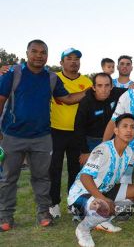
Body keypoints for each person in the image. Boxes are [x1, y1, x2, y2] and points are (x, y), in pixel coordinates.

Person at [0, 40, 86, 232]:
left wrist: (90, 91)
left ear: (48, 55)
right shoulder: (13, 73)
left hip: (42, 137)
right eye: (35, 51)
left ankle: (43, 214)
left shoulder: (51, 78)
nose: (39, 55)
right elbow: (1, 100)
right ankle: (5, 217)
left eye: (43, 52)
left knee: (42, 178)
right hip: (12, 135)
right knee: (8, 178)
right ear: (27, 53)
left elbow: (67, 99)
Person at [68, 113, 134, 247]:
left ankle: (102, 221)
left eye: (132, 127)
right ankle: (83, 229)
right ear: (116, 130)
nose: (129, 130)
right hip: (79, 196)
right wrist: (102, 198)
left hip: (104, 190)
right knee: (105, 206)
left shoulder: (129, 152)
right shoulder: (102, 150)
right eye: (124, 126)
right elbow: (85, 177)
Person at [49, 48, 93, 219]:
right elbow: (65, 99)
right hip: (56, 130)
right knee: (54, 169)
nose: (73, 61)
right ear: (61, 62)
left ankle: (73, 202)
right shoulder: (54, 78)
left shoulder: (86, 81)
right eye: (69, 58)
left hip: (78, 132)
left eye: (77, 59)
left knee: (76, 170)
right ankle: (53, 204)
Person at [75, 72, 125, 166]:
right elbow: (78, 127)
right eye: (99, 86)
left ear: (111, 86)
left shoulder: (117, 93)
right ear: (93, 87)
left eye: (107, 85)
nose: (104, 89)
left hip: (112, 140)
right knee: (90, 173)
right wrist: (85, 151)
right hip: (91, 141)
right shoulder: (86, 102)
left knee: (112, 171)